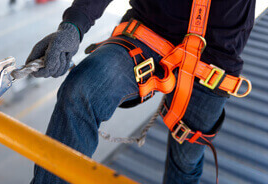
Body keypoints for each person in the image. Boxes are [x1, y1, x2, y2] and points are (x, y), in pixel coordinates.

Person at [26, 0, 255, 183]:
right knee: (81, 89)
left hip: (213, 61)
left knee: (185, 162)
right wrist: (74, 26)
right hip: (148, 33)